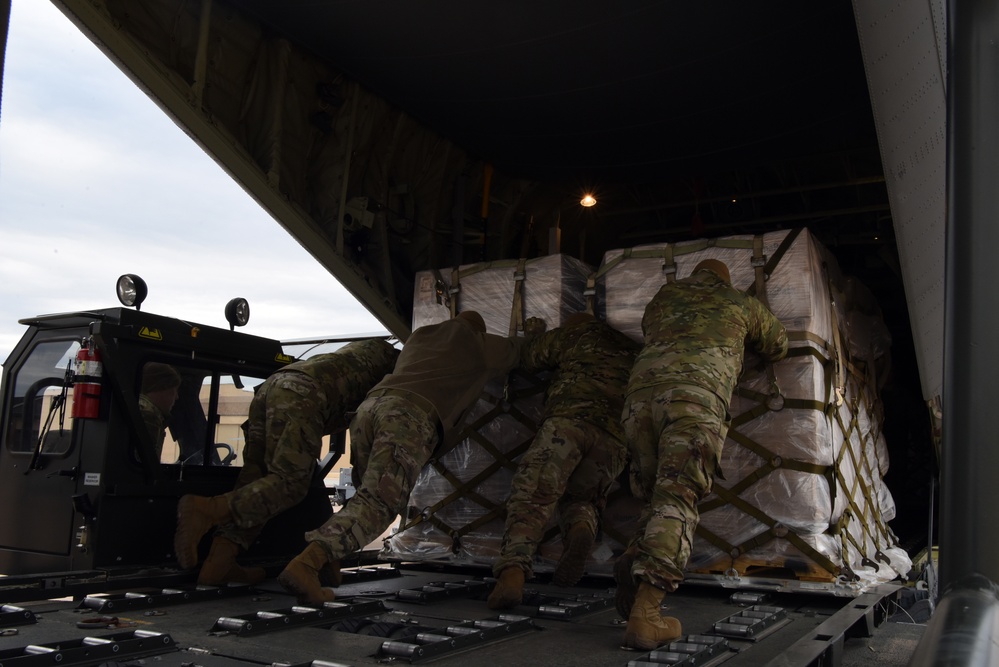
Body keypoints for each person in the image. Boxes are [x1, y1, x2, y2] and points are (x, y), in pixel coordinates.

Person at [277, 311, 521, 604]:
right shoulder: (477, 345)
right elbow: (520, 352)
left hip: (369, 409)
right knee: (380, 503)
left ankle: (331, 556)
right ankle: (307, 563)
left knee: (364, 497)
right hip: (407, 417)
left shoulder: (420, 336)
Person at [616, 259, 788, 650]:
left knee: (656, 494)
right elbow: (779, 343)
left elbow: (648, 331)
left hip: (639, 399)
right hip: (693, 400)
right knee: (678, 496)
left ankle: (636, 553)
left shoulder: (663, 297)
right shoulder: (738, 301)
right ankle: (646, 613)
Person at [173, 338, 400, 585]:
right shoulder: (401, 369)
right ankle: (207, 510)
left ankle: (219, 562)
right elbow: (373, 426)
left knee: (257, 481)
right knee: (291, 481)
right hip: (302, 394)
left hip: (273, 386)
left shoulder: (372, 353)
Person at [487, 312, 639, 609]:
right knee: (585, 498)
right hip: (614, 436)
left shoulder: (575, 335)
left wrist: (532, 333)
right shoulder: (632, 349)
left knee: (533, 496)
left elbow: (528, 356)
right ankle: (580, 528)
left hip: (568, 423)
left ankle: (512, 574)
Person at [138, 362, 182, 461]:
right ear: (162, 388)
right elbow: (147, 463)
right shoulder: (148, 415)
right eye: (174, 391)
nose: (176, 397)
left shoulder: (140, 408)